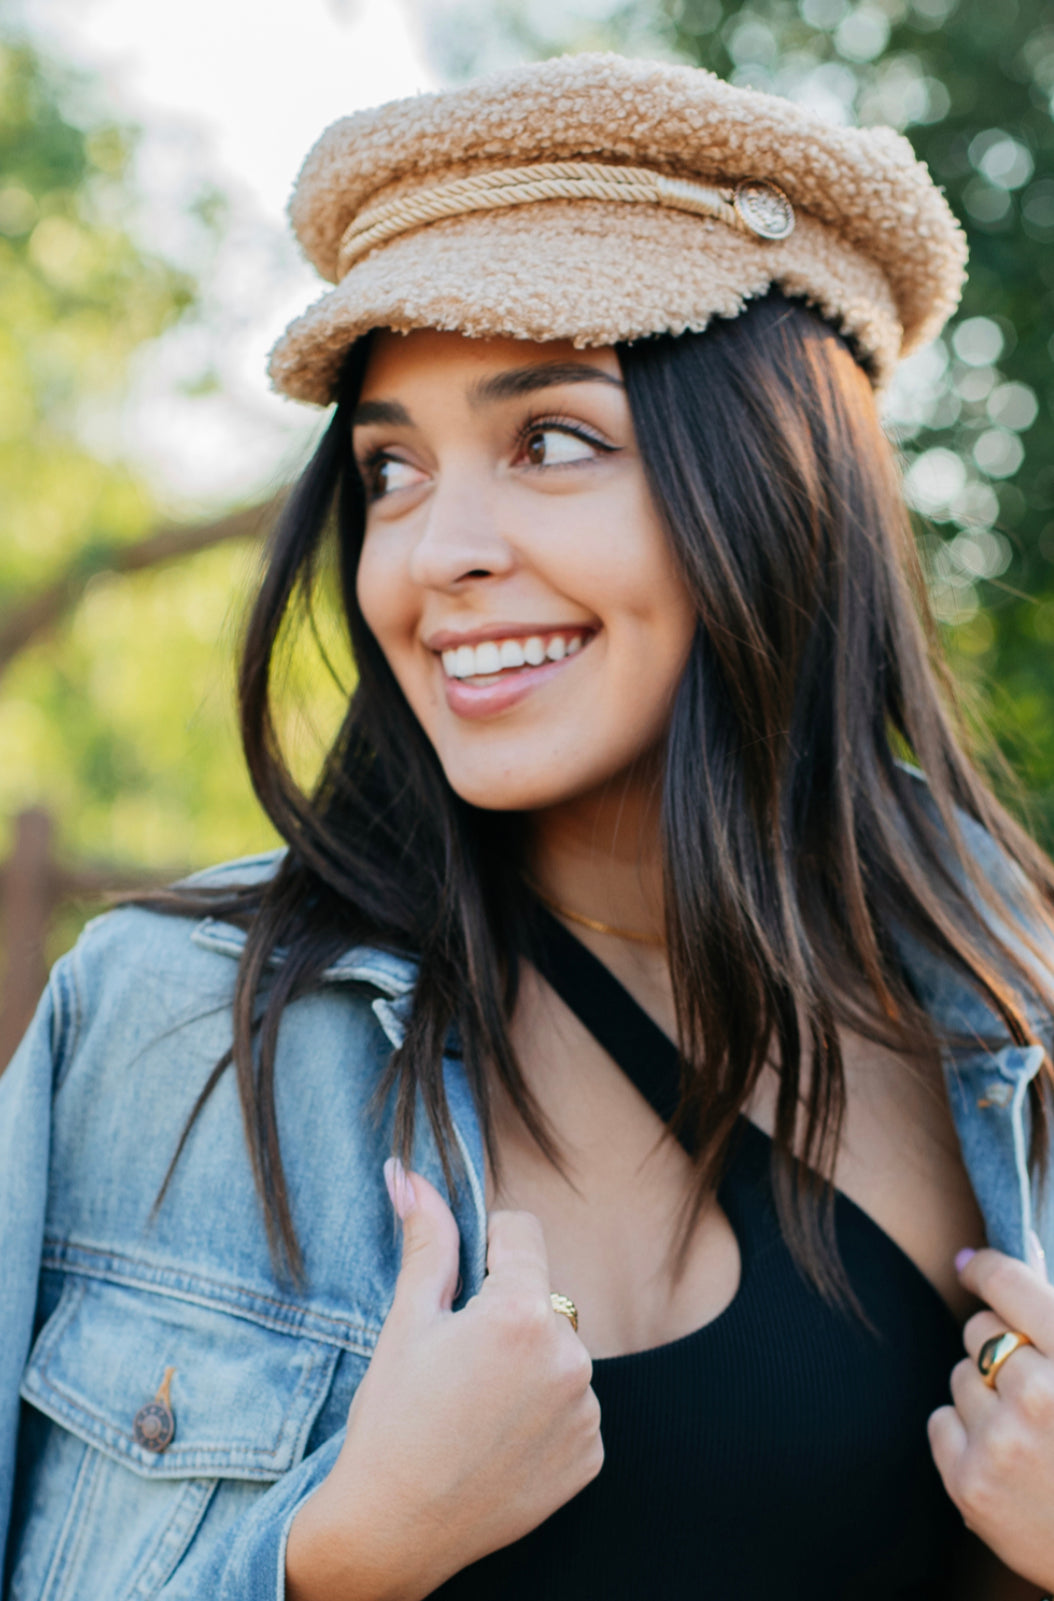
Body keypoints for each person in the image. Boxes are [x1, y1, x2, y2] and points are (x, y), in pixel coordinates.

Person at [2, 48, 1054, 1601]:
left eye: (552, 439)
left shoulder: (1007, 1010)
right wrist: (331, 1559)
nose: (438, 552)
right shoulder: (167, 1031)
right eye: (391, 468)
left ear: (774, 482)